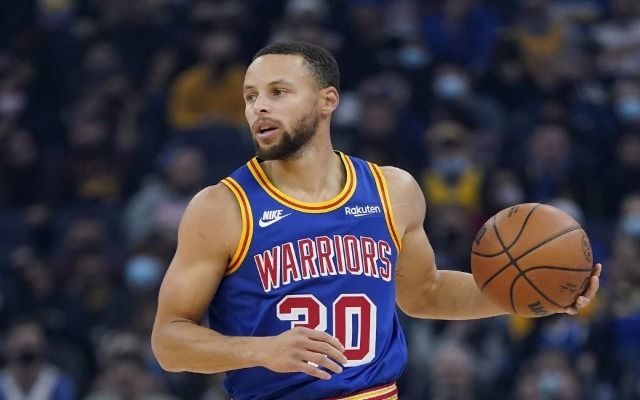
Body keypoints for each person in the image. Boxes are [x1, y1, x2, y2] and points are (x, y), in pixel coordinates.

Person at [151, 42, 601, 400]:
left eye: (278, 92)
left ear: (327, 100)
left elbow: (425, 293)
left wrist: (530, 294)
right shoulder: (222, 207)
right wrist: (261, 350)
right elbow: (169, 342)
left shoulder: (392, 190)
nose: (258, 108)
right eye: (250, 97)